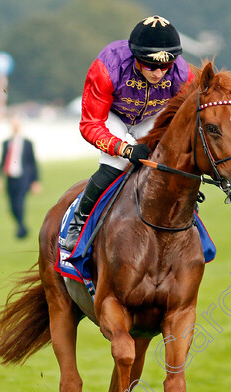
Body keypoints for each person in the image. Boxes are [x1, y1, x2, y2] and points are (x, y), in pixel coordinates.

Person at [62, 14, 195, 251]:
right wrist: (124, 148)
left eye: (165, 66)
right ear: (135, 57)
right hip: (113, 115)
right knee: (118, 164)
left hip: (151, 116)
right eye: (150, 65)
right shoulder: (107, 67)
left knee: (170, 161)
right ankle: (78, 222)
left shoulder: (183, 74)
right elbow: (90, 124)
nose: (158, 73)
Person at [0, 116, 41, 239]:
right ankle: (22, 226)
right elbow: (2, 160)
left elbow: (33, 162)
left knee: (20, 203)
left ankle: (21, 229)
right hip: (10, 178)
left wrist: (36, 181)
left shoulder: (27, 143)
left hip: (23, 178)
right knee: (12, 206)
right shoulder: (6, 143)